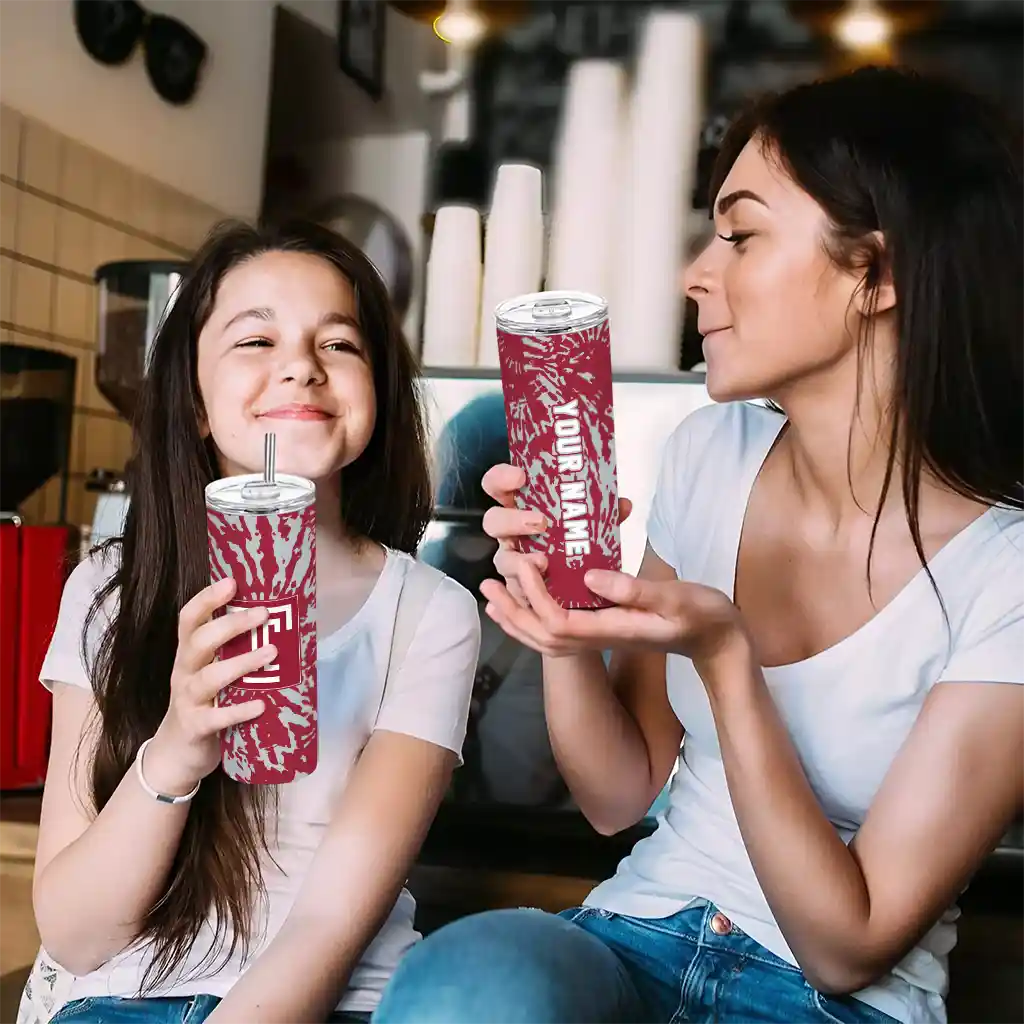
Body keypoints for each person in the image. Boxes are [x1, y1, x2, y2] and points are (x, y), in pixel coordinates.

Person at [372, 65, 1024, 1024]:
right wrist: (566, 629)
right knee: (468, 988)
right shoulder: (710, 454)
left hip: (828, 1001)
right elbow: (616, 793)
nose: (696, 272)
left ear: (876, 274)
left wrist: (726, 657)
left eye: (741, 234)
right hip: (635, 934)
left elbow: (850, 947)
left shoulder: (1003, 570)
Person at [29, 221, 481, 1023]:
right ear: (196, 406)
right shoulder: (109, 588)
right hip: (116, 1001)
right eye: (256, 339)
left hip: (320, 1004)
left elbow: (328, 926)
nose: (301, 365)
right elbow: (73, 934)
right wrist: (177, 751)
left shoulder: (427, 614)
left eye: (338, 344)